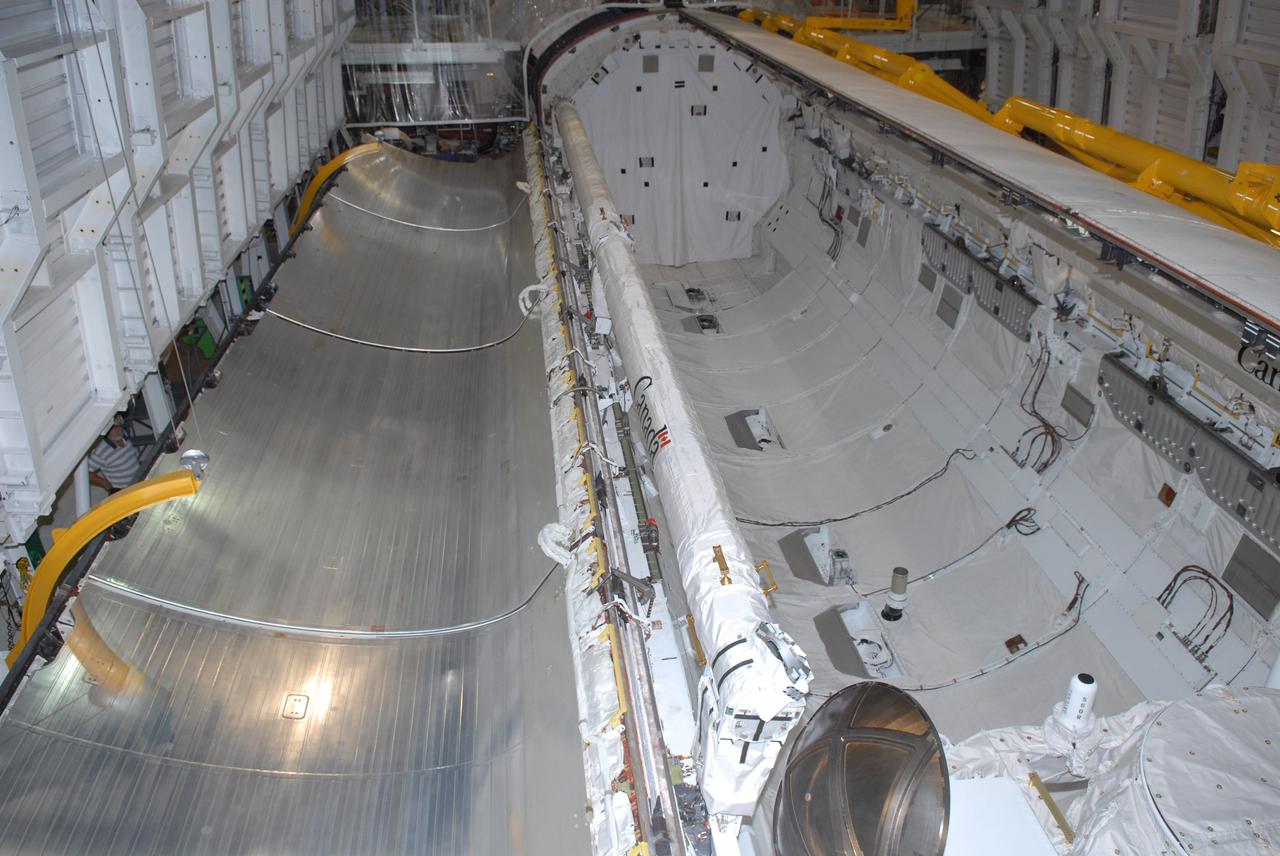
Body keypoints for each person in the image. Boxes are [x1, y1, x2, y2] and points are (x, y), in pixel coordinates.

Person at [87, 417, 142, 539]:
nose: (118, 430)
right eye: (114, 428)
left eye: (119, 427)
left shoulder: (124, 436)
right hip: (122, 491)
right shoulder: (100, 452)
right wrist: (104, 483)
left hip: (138, 482)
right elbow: (86, 473)